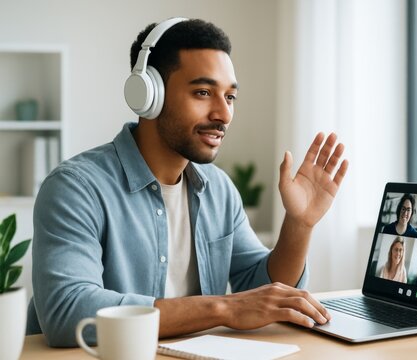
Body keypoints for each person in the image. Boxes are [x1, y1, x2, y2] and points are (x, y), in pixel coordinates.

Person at [26, 17, 349, 347]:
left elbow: (262, 289)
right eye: (203, 92)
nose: (223, 114)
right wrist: (221, 308)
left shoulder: (219, 189)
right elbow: (66, 312)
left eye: (230, 97)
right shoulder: (75, 188)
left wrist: (299, 224)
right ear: (148, 94)